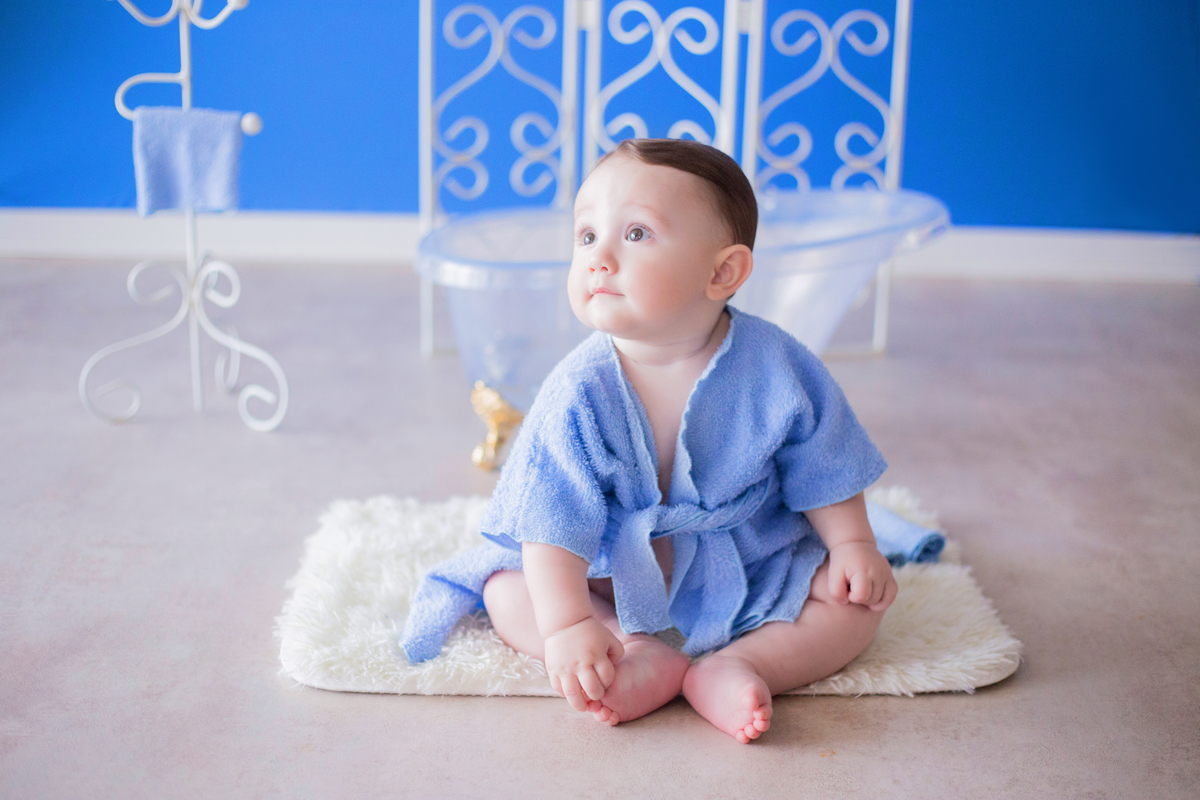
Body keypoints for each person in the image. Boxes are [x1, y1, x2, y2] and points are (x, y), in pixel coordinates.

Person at [402, 138, 898, 743]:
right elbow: (551, 518)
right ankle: (631, 650)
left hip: (751, 557)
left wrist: (851, 544)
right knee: (509, 592)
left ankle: (742, 665)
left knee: (855, 604)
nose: (599, 257)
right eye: (587, 235)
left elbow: (824, 460)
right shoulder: (577, 391)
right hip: (607, 573)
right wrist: (568, 627)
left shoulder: (777, 366)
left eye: (636, 234)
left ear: (723, 272)